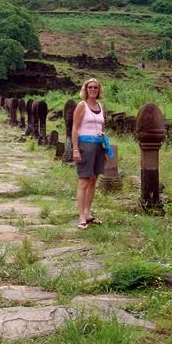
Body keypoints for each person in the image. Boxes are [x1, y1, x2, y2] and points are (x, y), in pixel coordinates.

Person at [72, 78, 114, 230]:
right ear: (86, 89)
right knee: (84, 180)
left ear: (99, 90)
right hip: (85, 145)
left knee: (93, 180)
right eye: (90, 87)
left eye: (96, 87)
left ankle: (88, 213)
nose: (93, 89)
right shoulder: (81, 106)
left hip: (98, 145)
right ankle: (81, 216)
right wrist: (75, 149)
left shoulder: (100, 106)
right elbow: (75, 128)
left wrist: (104, 147)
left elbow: (102, 127)